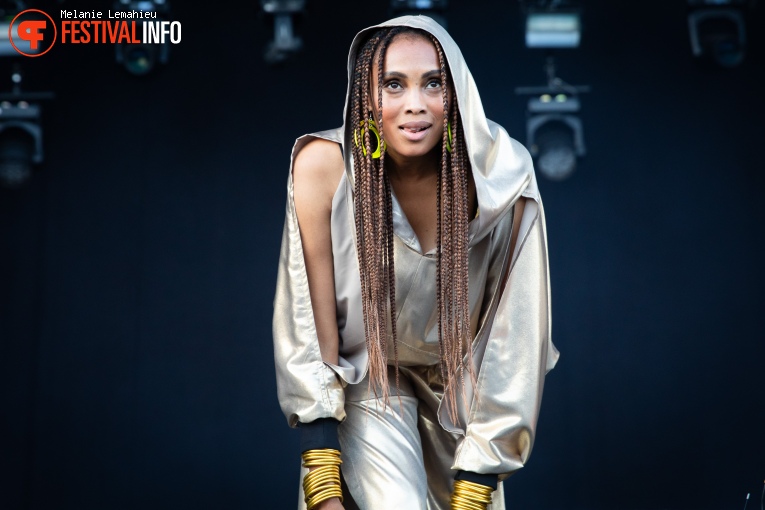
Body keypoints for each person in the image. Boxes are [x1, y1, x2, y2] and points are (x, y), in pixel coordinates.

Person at [273, 15, 559, 510]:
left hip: (463, 393)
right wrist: (322, 479)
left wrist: (476, 485)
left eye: (433, 83)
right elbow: (309, 325)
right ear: (367, 98)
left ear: (457, 94)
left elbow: (516, 338)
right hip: (372, 379)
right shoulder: (323, 167)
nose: (414, 103)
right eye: (393, 84)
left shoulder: (503, 179)